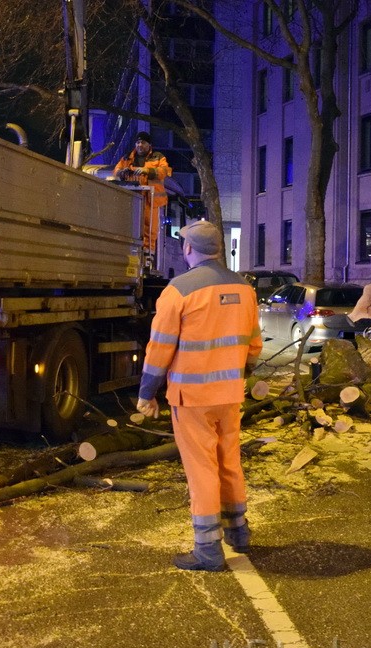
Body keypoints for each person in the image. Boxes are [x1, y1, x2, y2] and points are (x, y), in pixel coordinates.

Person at [136, 220, 262, 571]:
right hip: (230, 395)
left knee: (202, 469)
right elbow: (254, 344)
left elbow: (159, 348)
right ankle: (239, 532)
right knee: (228, 460)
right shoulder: (245, 289)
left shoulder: (179, 291)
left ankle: (207, 549)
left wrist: (147, 393)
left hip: (192, 397)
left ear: (188, 249)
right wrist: (241, 372)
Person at [113, 131, 172, 257]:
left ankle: (147, 254)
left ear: (149, 144)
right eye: (138, 142)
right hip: (132, 198)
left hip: (150, 200)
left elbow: (164, 171)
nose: (140, 145)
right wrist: (122, 172)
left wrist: (147, 170)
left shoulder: (158, 157)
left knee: (149, 228)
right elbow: (116, 171)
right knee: (130, 226)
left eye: (143, 142)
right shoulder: (127, 157)